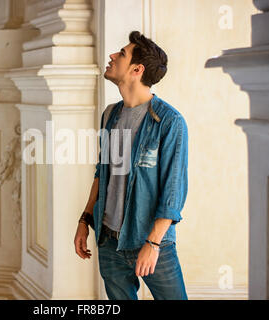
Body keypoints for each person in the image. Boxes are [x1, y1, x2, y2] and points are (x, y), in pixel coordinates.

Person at [74, 31, 188, 300]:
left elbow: (173, 191)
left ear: (137, 69)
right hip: (108, 240)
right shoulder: (109, 115)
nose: (112, 56)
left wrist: (153, 243)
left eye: (121, 54)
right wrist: (85, 219)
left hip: (151, 242)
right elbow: (102, 173)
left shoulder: (170, 122)